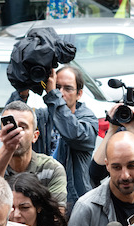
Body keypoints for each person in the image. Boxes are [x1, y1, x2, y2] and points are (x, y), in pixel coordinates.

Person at [0, 101, 68, 207]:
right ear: (0, 134)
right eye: (10, 127)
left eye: (22, 127)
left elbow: (57, 218)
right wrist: (7, 149)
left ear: (35, 136)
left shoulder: (51, 169)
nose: (16, 132)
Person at [50, 66, 101, 210]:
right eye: (57, 87)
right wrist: (22, 92)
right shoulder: (43, 116)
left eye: (68, 88)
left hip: (73, 203)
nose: (60, 93)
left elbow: (73, 133)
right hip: (44, 197)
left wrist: (52, 96)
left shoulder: (87, 120)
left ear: (79, 94)